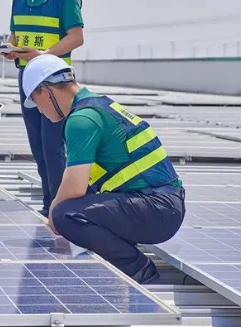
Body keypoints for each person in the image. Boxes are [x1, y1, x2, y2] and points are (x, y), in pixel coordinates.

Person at [20, 54, 186, 284]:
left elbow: (75, 186)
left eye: (35, 100)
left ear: (46, 91)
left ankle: (137, 267)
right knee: (76, 205)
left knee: (64, 214)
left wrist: (53, 213)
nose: (39, 110)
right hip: (162, 206)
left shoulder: (81, 120)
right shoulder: (98, 105)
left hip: (157, 209)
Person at [1, 0, 85, 218]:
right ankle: (49, 200)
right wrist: (11, 48)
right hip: (27, 77)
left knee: (53, 144)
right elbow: (16, 34)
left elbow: (76, 37)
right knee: (37, 143)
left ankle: (59, 205)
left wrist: (44, 55)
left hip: (56, 80)